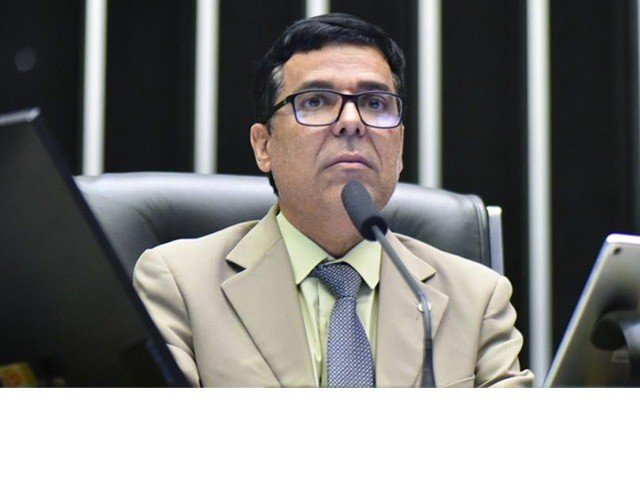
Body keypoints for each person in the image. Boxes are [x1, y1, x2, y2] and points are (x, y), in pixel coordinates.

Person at [133, 13, 534, 387]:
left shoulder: (477, 299)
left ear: (400, 148)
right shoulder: (179, 285)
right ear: (264, 146)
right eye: (315, 101)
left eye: (375, 104)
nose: (351, 122)